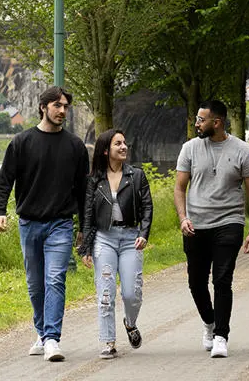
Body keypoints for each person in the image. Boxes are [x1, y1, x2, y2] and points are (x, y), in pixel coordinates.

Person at [0, 86, 89, 362]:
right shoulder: (21, 143)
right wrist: (0, 211)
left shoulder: (75, 146)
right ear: (43, 107)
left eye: (66, 107)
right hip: (29, 224)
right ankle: (41, 331)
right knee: (35, 285)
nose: (62, 111)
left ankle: (52, 339)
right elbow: (4, 182)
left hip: (61, 224)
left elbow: (83, 190)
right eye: (57, 106)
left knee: (55, 279)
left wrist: (84, 226)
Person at [173, 100, 249, 358]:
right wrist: (182, 218)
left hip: (229, 223)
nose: (196, 123)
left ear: (217, 122)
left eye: (201, 119)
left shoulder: (242, 150)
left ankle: (221, 335)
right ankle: (209, 323)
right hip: (196, 224)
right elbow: (179, 187)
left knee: (222, 279)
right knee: (196, 283)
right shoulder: (189, 148)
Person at [78, 129, 153, 359]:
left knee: (132, 293)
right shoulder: (94, 180)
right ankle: (108, 341)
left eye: (124, 143)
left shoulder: (136, 175)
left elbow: (148, 206)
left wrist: (144, 233)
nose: (123, 147)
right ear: (105, 150)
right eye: (118, 143)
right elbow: (88, 214)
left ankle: (130, 323)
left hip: (131, 237)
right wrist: (86, 248)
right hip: (104, 239)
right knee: (106, 293)